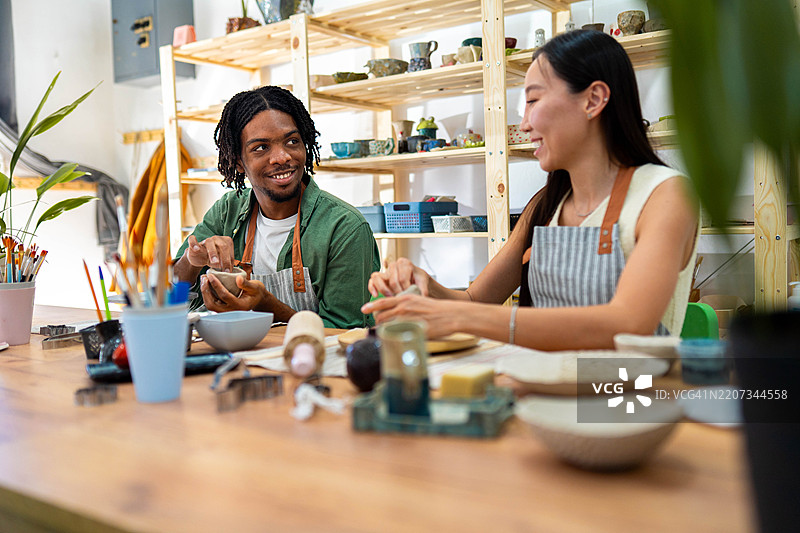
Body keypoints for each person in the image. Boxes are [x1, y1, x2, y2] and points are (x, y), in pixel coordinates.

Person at [362, 30, 699, 350]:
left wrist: (458, 318)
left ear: (593, 100)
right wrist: (421, 286)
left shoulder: (665, 195)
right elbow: (475, 300)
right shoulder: (547, 204)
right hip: (543, 389)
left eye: (533, 100)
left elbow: (627, 322)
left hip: (624, 400)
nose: (524, 124)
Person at [174, 85, 380, 329]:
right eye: (261, 147)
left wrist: (268, 306)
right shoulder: (227, 212)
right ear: (239, 162)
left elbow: (346, 333)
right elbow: (171, 295)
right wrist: (191, 260)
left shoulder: (344, 228)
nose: (282, 157)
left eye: (292, 141)